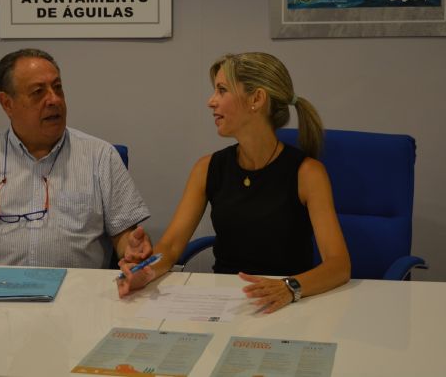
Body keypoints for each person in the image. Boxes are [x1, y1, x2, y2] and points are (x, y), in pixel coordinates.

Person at [117, 52, 351, 313]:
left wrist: (289, 287)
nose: (211, 101)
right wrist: (145, 272)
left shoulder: (307, 173)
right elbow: (170, 247)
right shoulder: (207, 168)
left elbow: (339, 265)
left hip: (288, 305)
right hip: (226, 305)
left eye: (222, 90)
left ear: (256, 99)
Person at [0, 48, 151, 268]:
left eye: (57, 88)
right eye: (38, 92)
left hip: (75, 293)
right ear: (7, 103)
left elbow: (125, 234)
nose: (54, 100)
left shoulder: (100, 156)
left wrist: (132, 248)